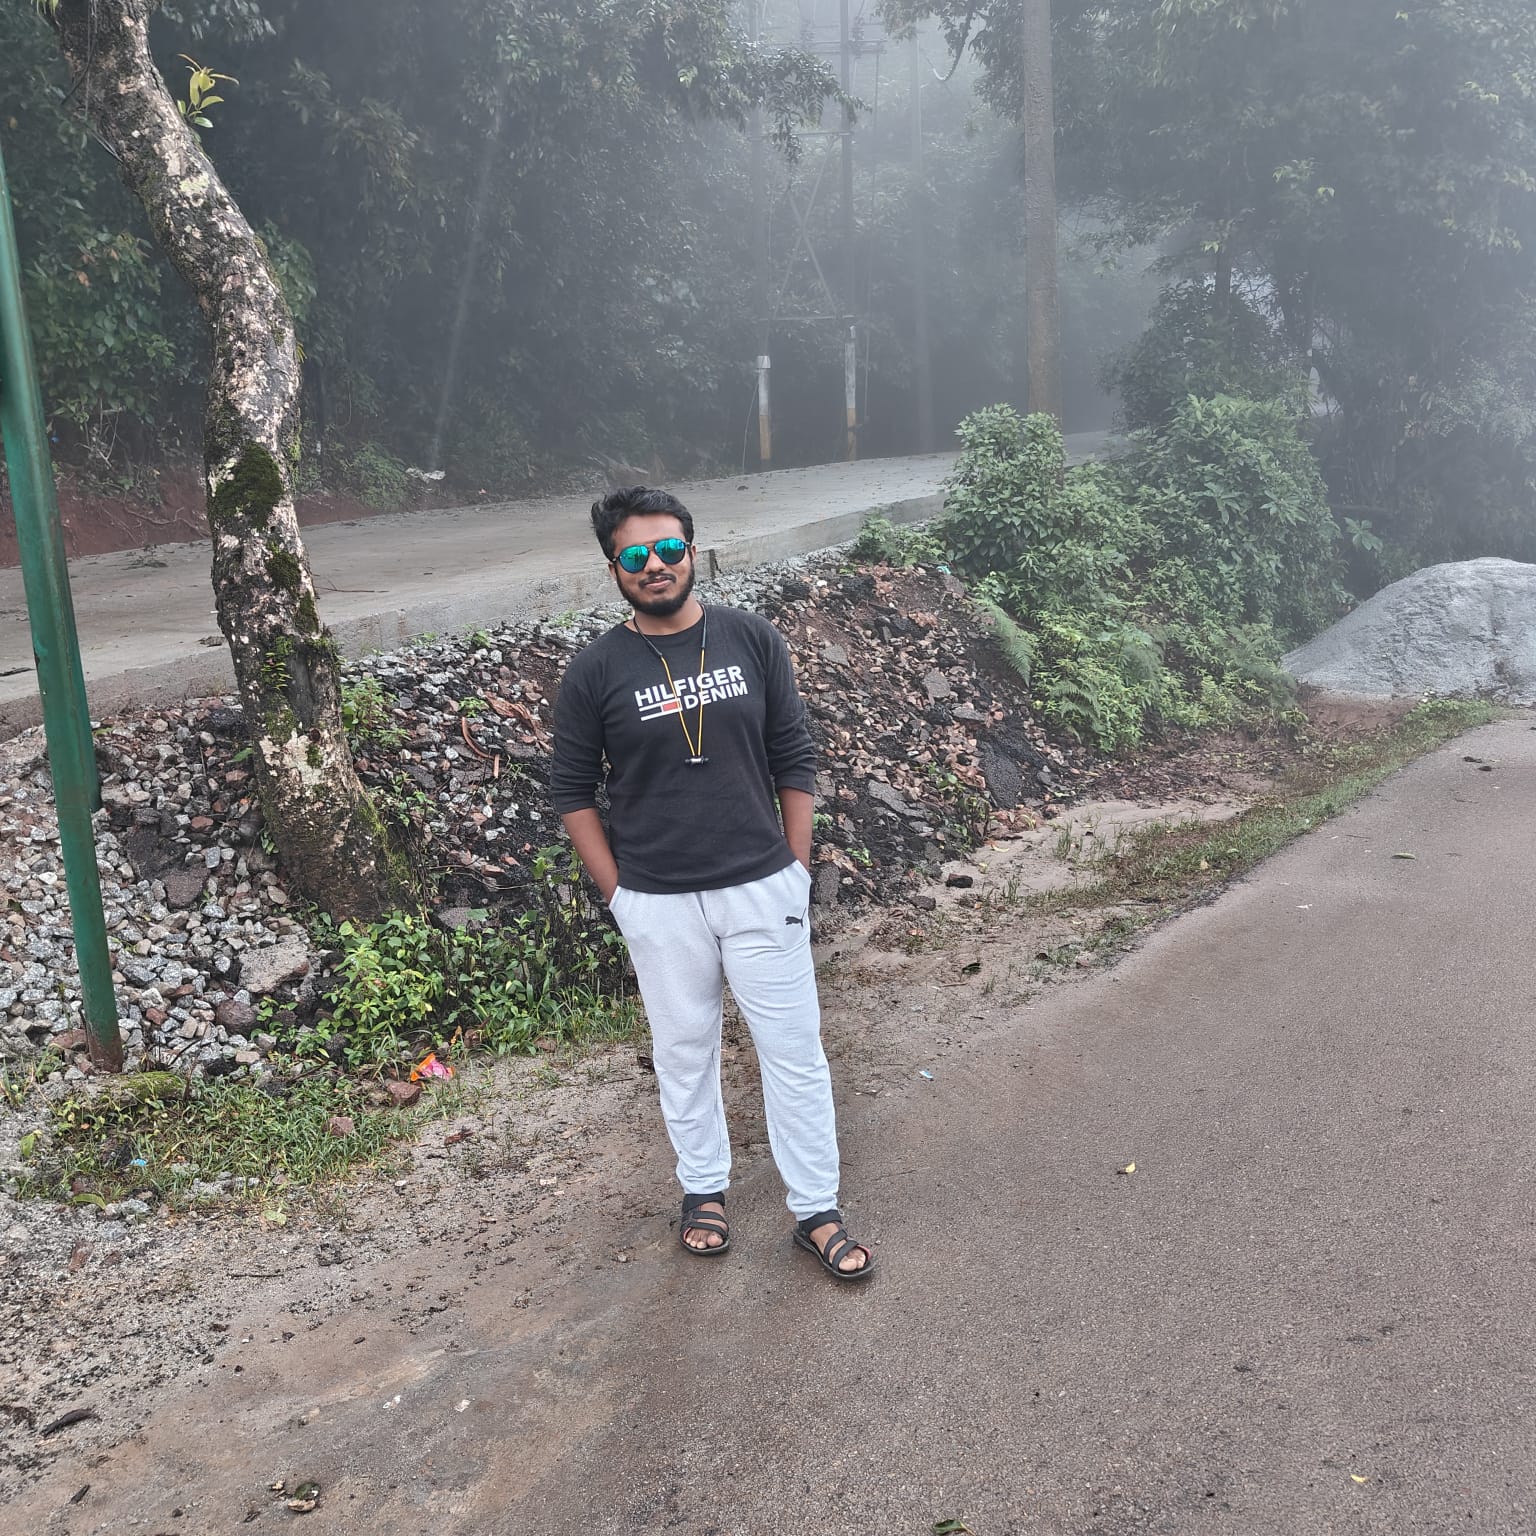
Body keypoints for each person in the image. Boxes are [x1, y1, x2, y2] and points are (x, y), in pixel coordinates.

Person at [550, 485, 872, 1280]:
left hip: (761, 886)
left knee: (793, 1053)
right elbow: (572, 793)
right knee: (684, 1051)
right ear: (613, 569)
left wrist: (794, 868)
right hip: (657, 899)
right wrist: (620, 896)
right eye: (634, 555)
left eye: (668, 549)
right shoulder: (596, 670)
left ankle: (817, 1210)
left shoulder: (751, 639)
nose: (654, 565)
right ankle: (703, 1192)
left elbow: (793, 755)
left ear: (693, 552)